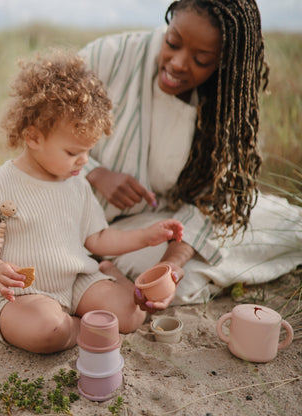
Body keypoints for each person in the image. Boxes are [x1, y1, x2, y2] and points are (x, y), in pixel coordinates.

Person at [79, 0, 302, 312]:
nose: (179, 63)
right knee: (185, 283)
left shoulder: (225, 104)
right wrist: (94, 171)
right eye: (172, 43)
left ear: (224, 63)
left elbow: (213, 200)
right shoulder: (106, 57)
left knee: (181, 280)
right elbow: (37, 131)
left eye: (201, 59)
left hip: (159, 221)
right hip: (87, 221)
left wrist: (173, 263)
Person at [0, 51, 183, 353]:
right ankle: (78, 326)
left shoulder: (77, 185)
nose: (84, 161)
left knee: (131, 315)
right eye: (73, 152)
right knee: (46, 330)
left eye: (89, 151)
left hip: (75, 281)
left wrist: (146, 237)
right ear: (33, 137)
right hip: (21, 293)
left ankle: (91, 310)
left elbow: (98, 238)